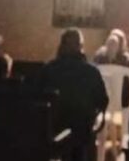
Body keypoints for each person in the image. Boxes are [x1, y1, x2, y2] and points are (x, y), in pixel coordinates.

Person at [43, 28, 109, 161]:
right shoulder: (91, 72)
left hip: (53, 130)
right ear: (81, 47)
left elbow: (39, 95)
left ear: (61, 46)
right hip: (83, 133)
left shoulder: (48, 70)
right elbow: (103, 101)